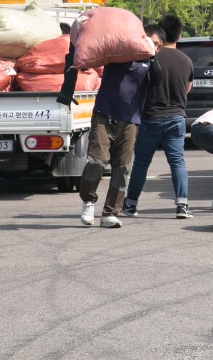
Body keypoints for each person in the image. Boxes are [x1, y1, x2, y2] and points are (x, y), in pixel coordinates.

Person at [58, 24, 163, 229]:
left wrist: (152, 57)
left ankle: (110, 213)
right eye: (151, 40)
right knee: (97, 161)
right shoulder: (119, 53)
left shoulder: (150, 64)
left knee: (122, 168)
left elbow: (157, 81)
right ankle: (88, 200)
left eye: (158, 44)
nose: (154, 46)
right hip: (104, 115)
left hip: (130, 120)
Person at [121, 15, 195, 219]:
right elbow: (187, 89)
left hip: (151, 117)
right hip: (177, 117)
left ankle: (131, 205)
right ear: (179, 35)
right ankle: (182, 205)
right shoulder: (186, 60)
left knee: (141, 163)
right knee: (177, 162)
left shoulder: (149, 57)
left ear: (159, 34)